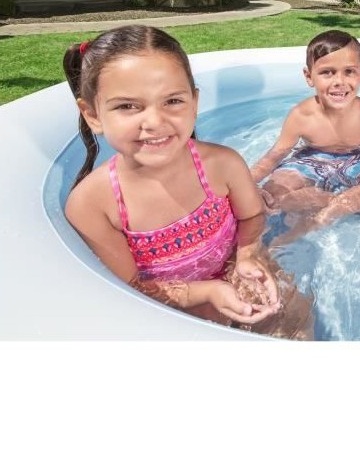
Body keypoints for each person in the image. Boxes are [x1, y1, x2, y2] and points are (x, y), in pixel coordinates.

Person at [62, 25, 313, 338]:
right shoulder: (92, 204)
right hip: (174, 312)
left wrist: (248, 255)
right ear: (93, 115)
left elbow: (251, 216)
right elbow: (130, 287)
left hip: (241, 273)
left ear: (194, 103)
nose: (155, 122)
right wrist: (208, 292)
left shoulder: (222, 164)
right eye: (127, 106)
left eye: (172, 101)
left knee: (294, 322)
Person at [250, 30, 360, 246]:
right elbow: (275, 155)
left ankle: (329, 210)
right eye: (327, 72)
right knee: (274, 193)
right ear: (309, 76)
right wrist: (247, 183)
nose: (339, 82)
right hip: (310, 160)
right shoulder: (301, 115)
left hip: (355, 159)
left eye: (349, 72)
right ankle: (358, 203)